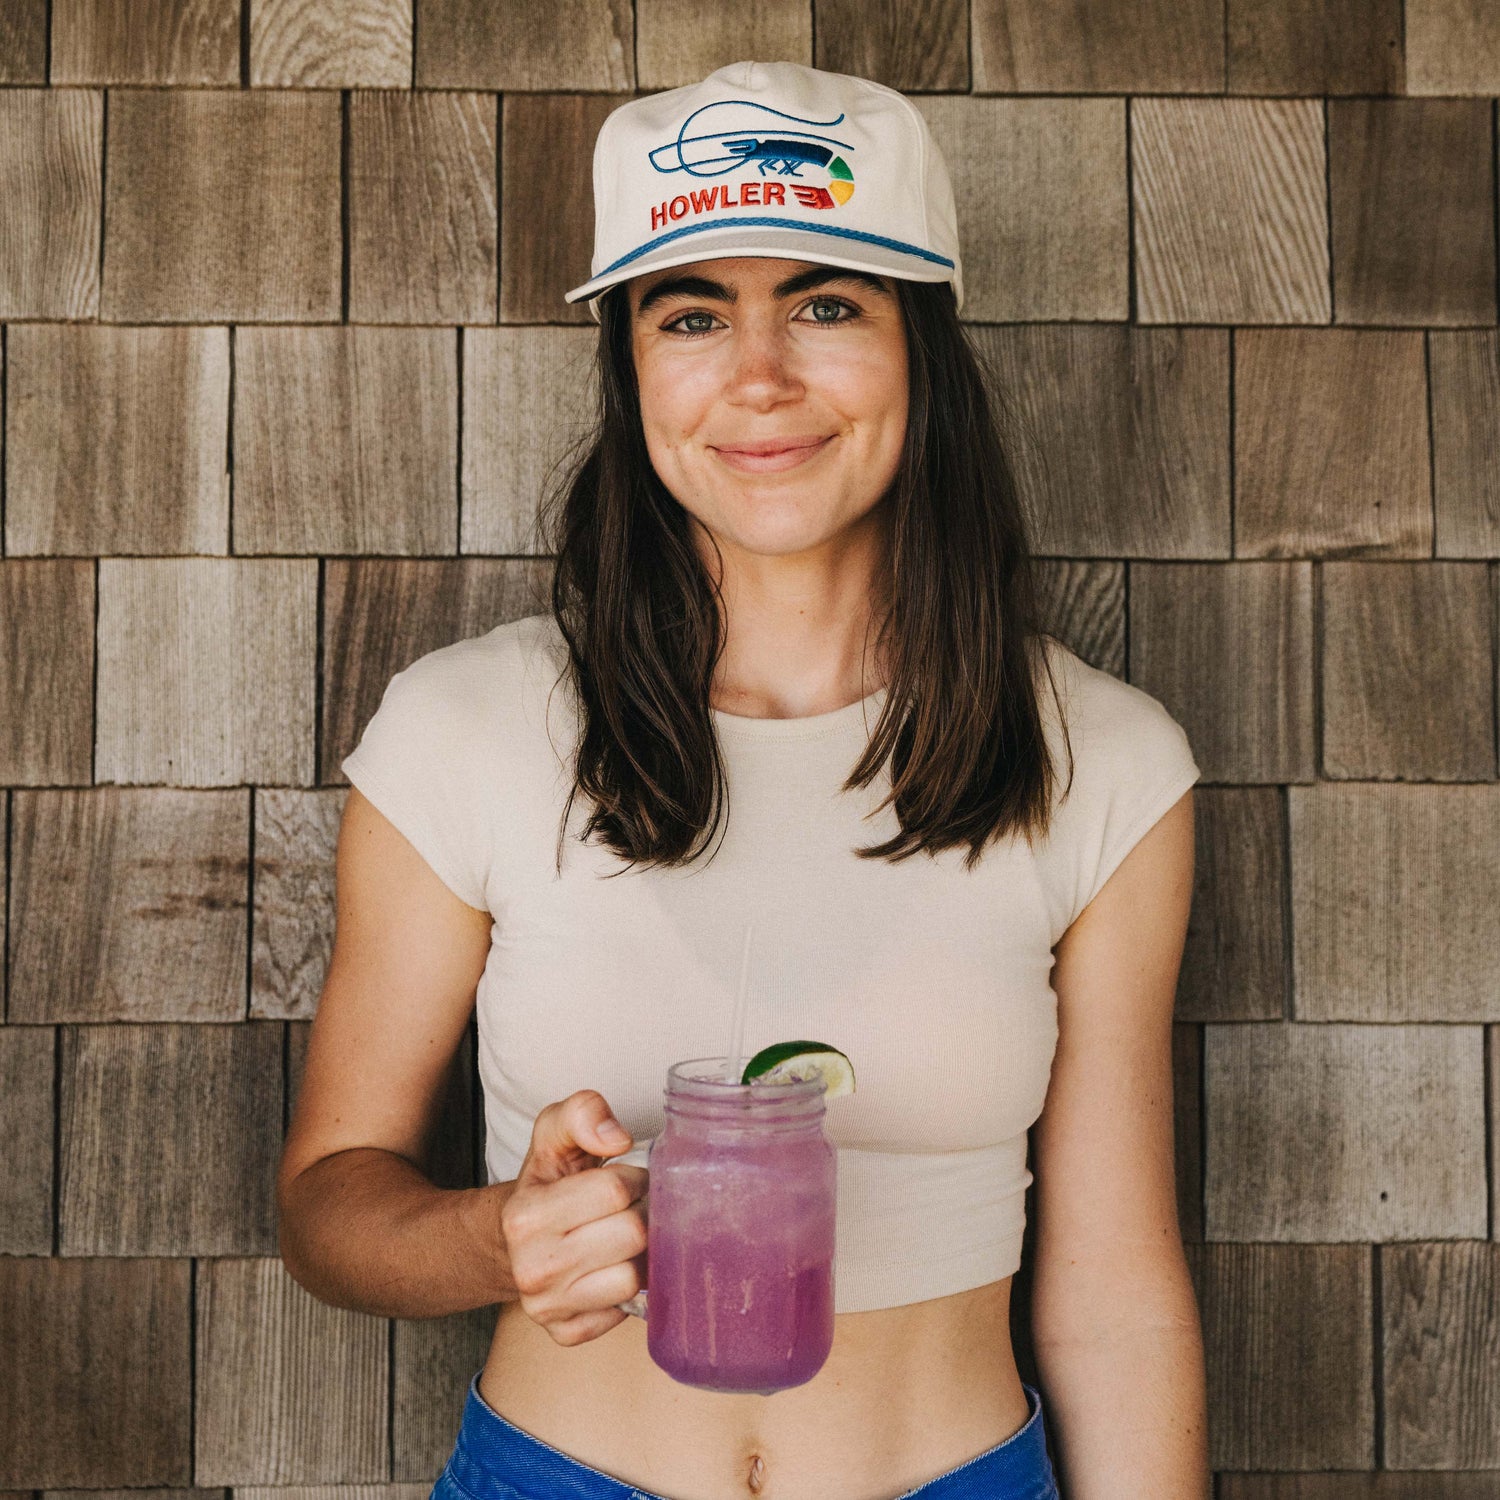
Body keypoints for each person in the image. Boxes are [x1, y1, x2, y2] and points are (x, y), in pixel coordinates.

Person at [277, 60, 1211, 1500]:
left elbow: (1118, 1302)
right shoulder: (463, 730)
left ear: (923, 348)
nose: (760, 376)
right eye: (693, 314)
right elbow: (331, 1204)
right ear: (634, 368)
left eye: (829, 303)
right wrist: (493, 1238)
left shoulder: (1107, 765)